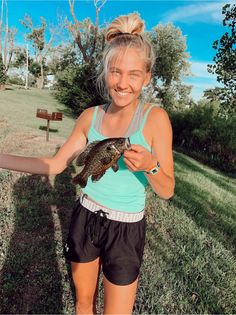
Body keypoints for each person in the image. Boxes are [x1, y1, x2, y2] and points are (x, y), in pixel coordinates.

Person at [0, 13, 175, 315]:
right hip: (86, 217)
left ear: (147, 77)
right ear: (105, 72)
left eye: (134, 74)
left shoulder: (155, 119)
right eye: (115, 72)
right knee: (83, 303)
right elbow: (55, 165)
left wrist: (151, 166)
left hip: (126, 228)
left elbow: (168, 189)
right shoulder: (89, 117)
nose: (122, 83)